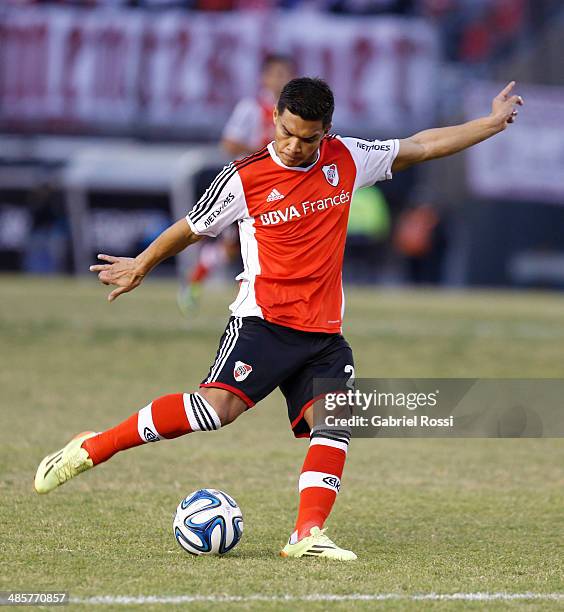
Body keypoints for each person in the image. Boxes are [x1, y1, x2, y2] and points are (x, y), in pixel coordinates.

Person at [34, 77, 523, 560]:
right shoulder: (243, 177)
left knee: (335, 423)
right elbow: (191, 227)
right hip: (263, 324)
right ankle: (94, 447)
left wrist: (490, 123)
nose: (293, 146)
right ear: (274, 119)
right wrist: (141, 264)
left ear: (326, 131)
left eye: (307, 138)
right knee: (213, 413)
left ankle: (307, 534)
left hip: (324, 333)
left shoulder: (347, 157)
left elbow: (421, 145)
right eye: (286, 132)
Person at [178, 54, 294, 313]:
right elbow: (228, 143)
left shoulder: (293, 111)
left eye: (286, 74)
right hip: (250, 185)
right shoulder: (250, 108)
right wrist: (263, 150)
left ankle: (259, 300)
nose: (281, 79)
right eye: (276, 73)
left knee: (255, 245)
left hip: (279, 188)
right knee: (234, 245)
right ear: (264, 78)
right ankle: (197, 282)